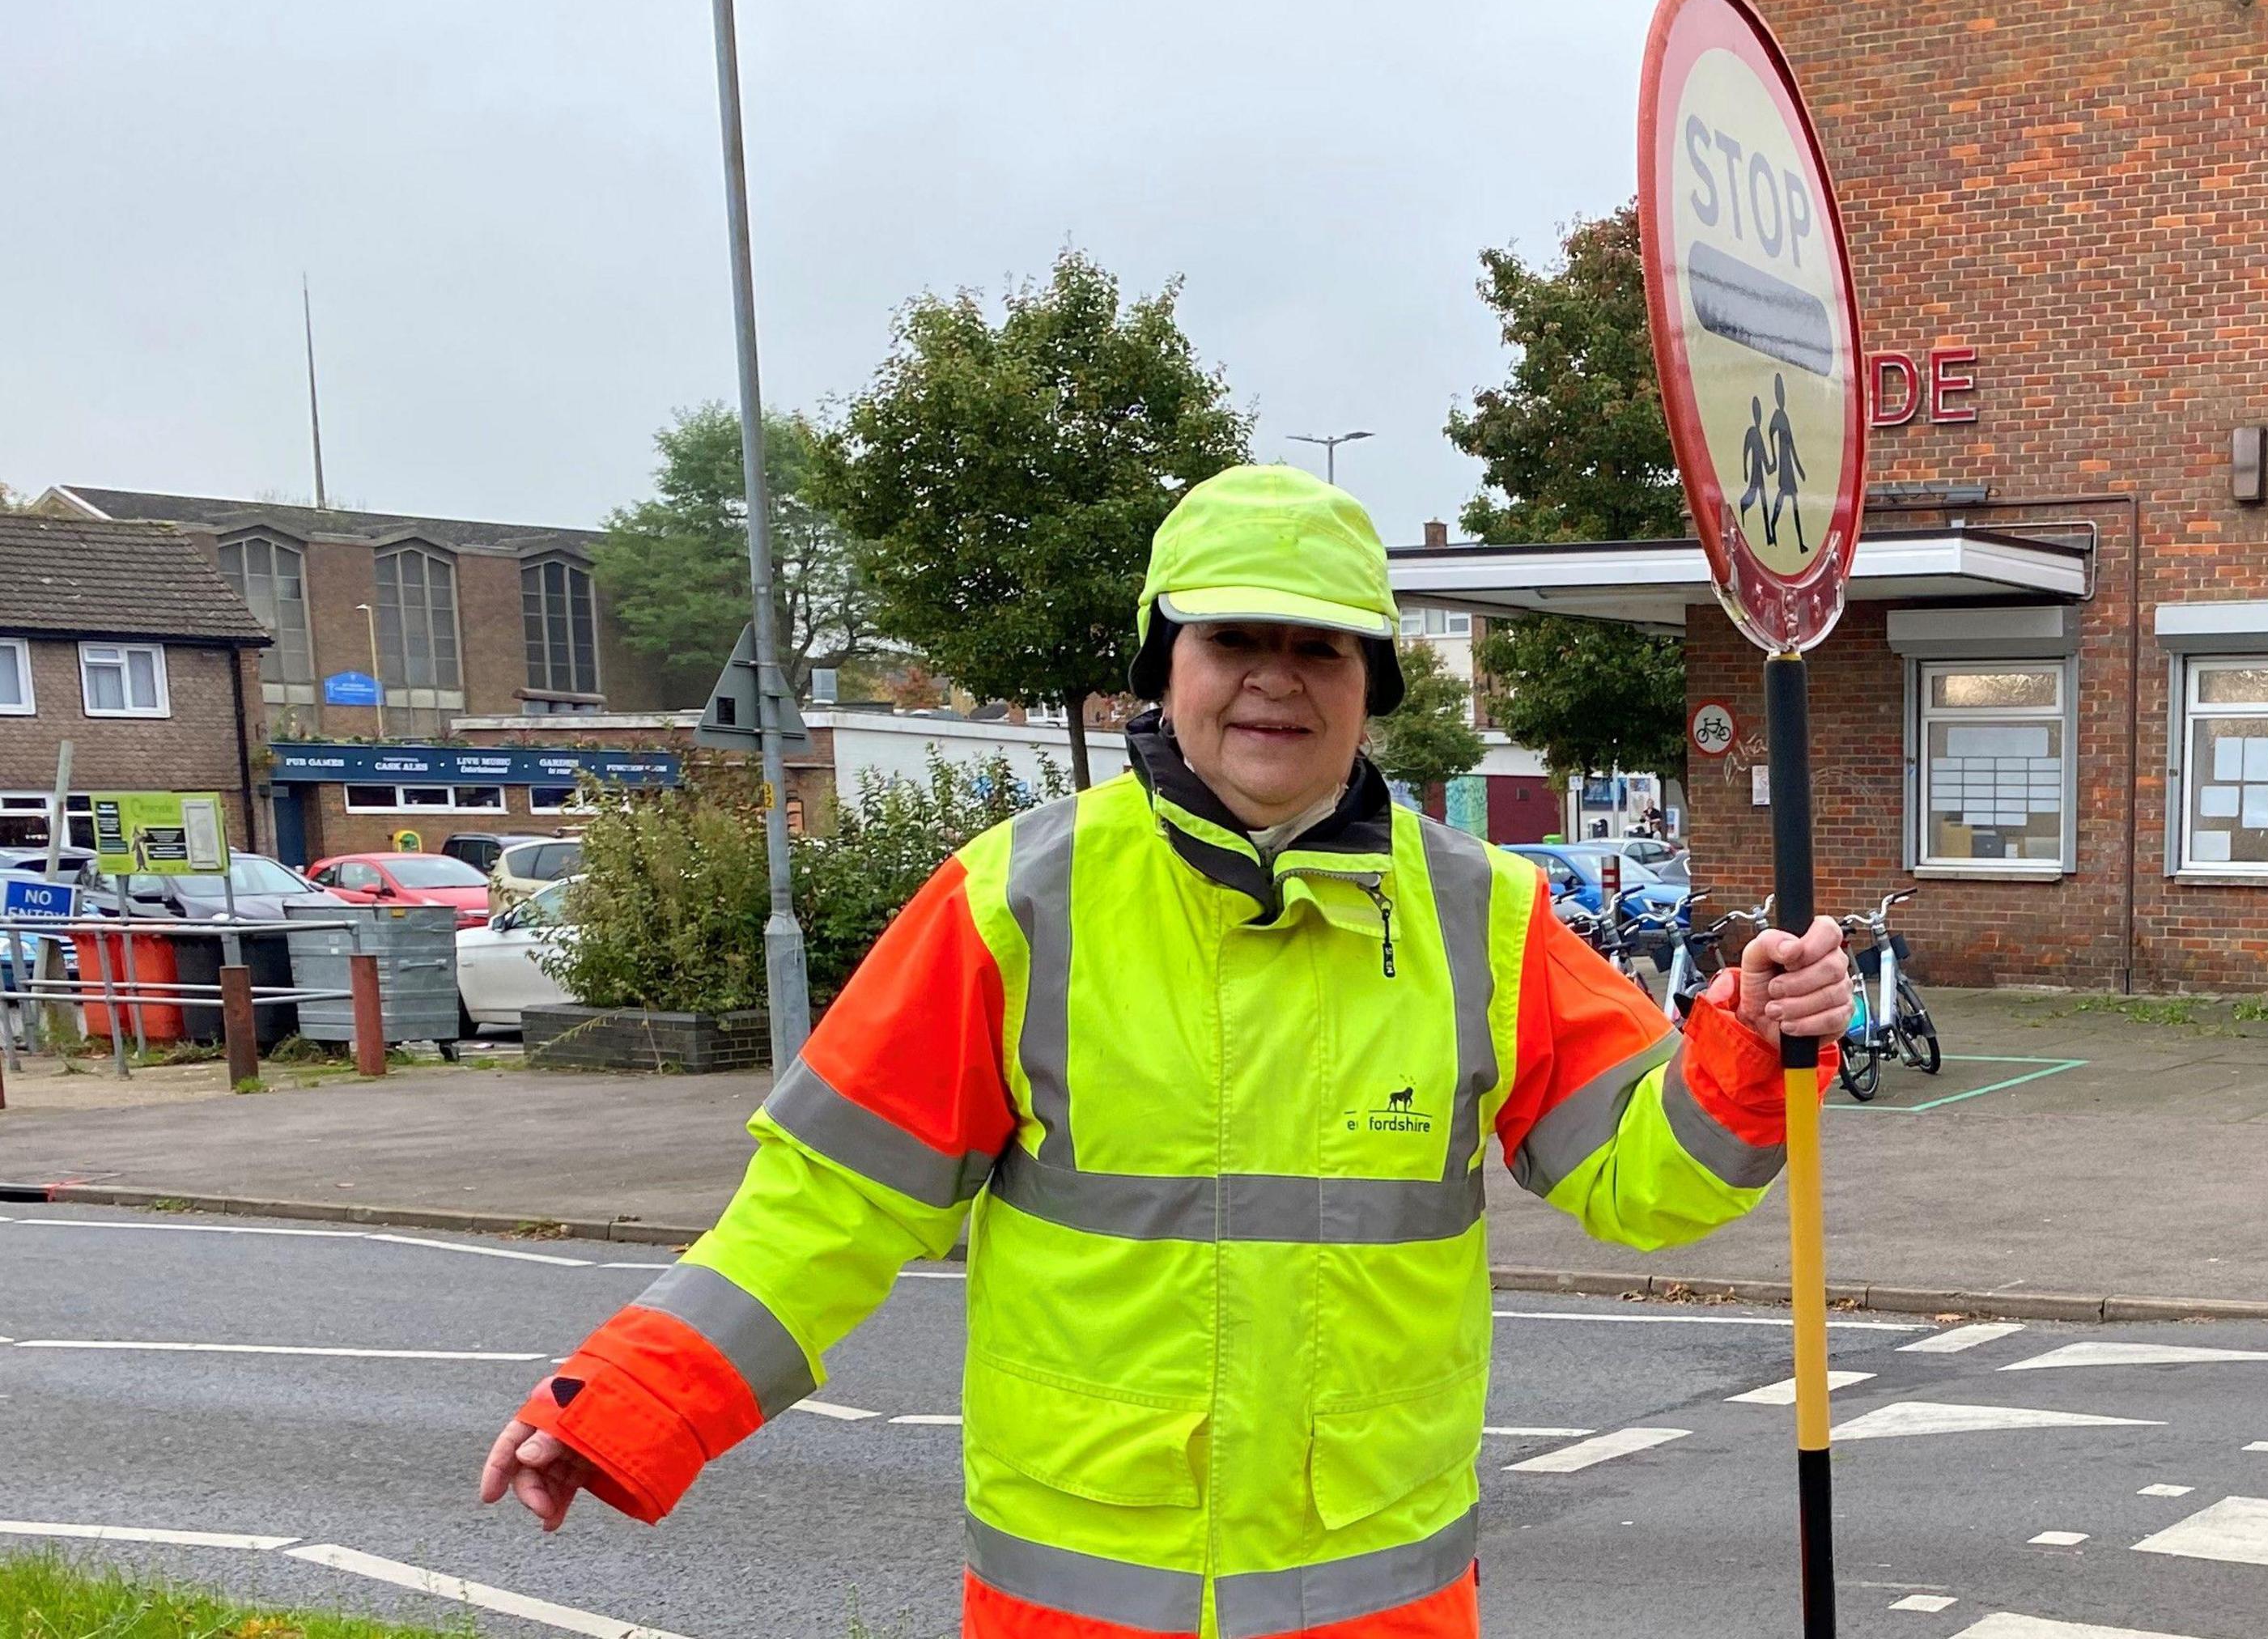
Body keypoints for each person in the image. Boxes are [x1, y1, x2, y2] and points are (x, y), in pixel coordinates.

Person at [478, 465, 1850, 1639]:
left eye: (1319, 648)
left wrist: (1743, 1047)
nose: (1274, 678)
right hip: (1081, 1604)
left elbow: (1644, 1176)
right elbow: (823, 1208)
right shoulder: (1015, 903)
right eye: (1230, 637)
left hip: (1374, 1600)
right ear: (1164, 668)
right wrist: (634, 1404)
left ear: (1368, 682)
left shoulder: (1482, 917)